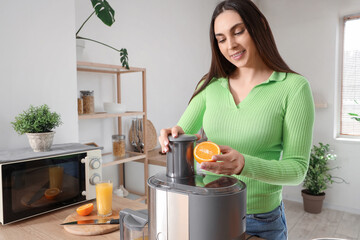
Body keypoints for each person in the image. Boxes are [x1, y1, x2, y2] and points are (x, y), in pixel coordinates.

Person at [158, 0, 314, 239]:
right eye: (221, 39)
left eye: (238, 31)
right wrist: (172, 134)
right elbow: (182, 133)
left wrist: (243, 165)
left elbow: (297, 170)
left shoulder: (293, 88)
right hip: (208, 210)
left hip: (261, 221)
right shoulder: (209, 86)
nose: (231, 45)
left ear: (260, 25)